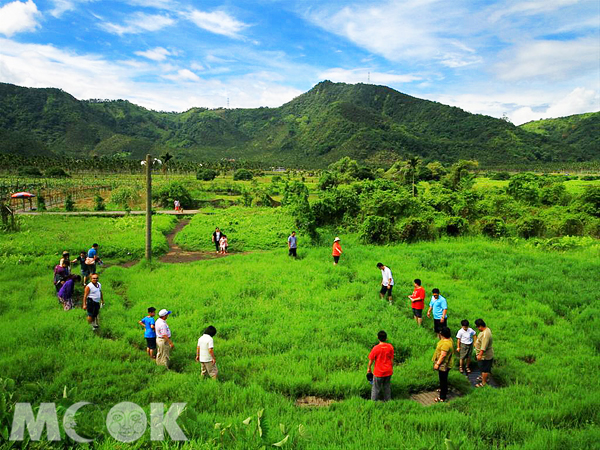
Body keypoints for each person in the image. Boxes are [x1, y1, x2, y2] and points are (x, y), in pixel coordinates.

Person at [367, 330, 394, 401]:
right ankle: (388, 401)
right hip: (388, 371)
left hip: (378, 372)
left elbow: (371, 360)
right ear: (386, 338)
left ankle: (373, 403)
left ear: (378, 338)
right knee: (387, 387)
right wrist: (391, 368)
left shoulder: (376, 348)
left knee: (376, 388)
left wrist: (369, 369)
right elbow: (391, 360)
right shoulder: (390, 347)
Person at [432, 326, 454, 403]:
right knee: (443, 379)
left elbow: (443, 355)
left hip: (443, 365)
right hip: (446, 364)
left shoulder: (446, 344)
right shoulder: (449, 340)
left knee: (443, 380)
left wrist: (437, 364)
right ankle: (443, 390)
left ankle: (442, 397)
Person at [474, 318, 493, 387]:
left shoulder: (486, 334)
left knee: (484, 369)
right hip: (484, 355)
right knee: (484, 368)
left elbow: (483, 347)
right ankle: (484, 378)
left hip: (485, 356)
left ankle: (483, 383)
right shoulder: (487, 330)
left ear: (480, 326)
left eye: (478, 327)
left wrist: (480, 355)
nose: (478, 328)